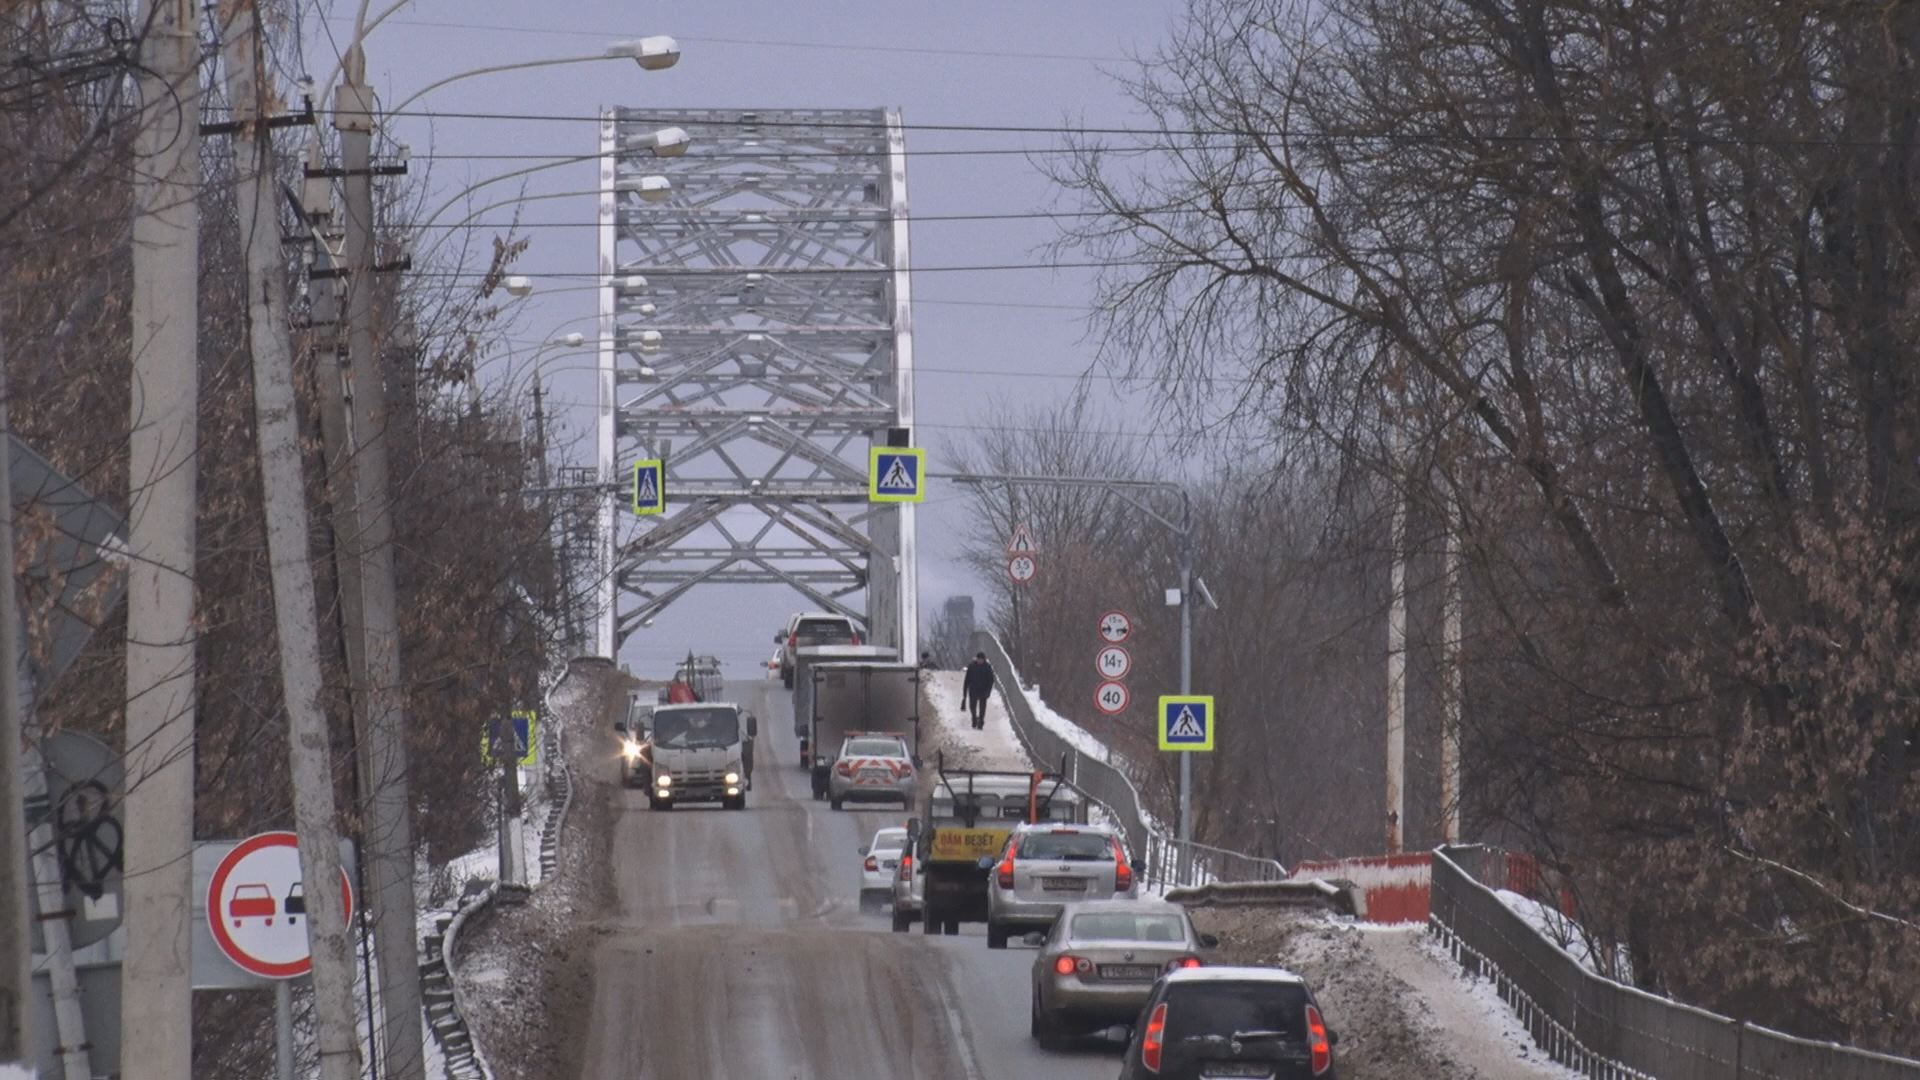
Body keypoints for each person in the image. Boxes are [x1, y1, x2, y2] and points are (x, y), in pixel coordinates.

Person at [962, 652, 995, 730]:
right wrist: (965, 693)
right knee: (972, 706)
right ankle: (974, 718)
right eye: (979, 659)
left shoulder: (987, 667)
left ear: (984, 660)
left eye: (981, 659)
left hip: (983, 690)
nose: (980, 661)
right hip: (973, 689)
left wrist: (988, 691)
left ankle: (981, 722)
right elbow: (967, 680)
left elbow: (991, 680)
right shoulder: (971, 666)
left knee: (982, 708)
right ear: (976, 659)